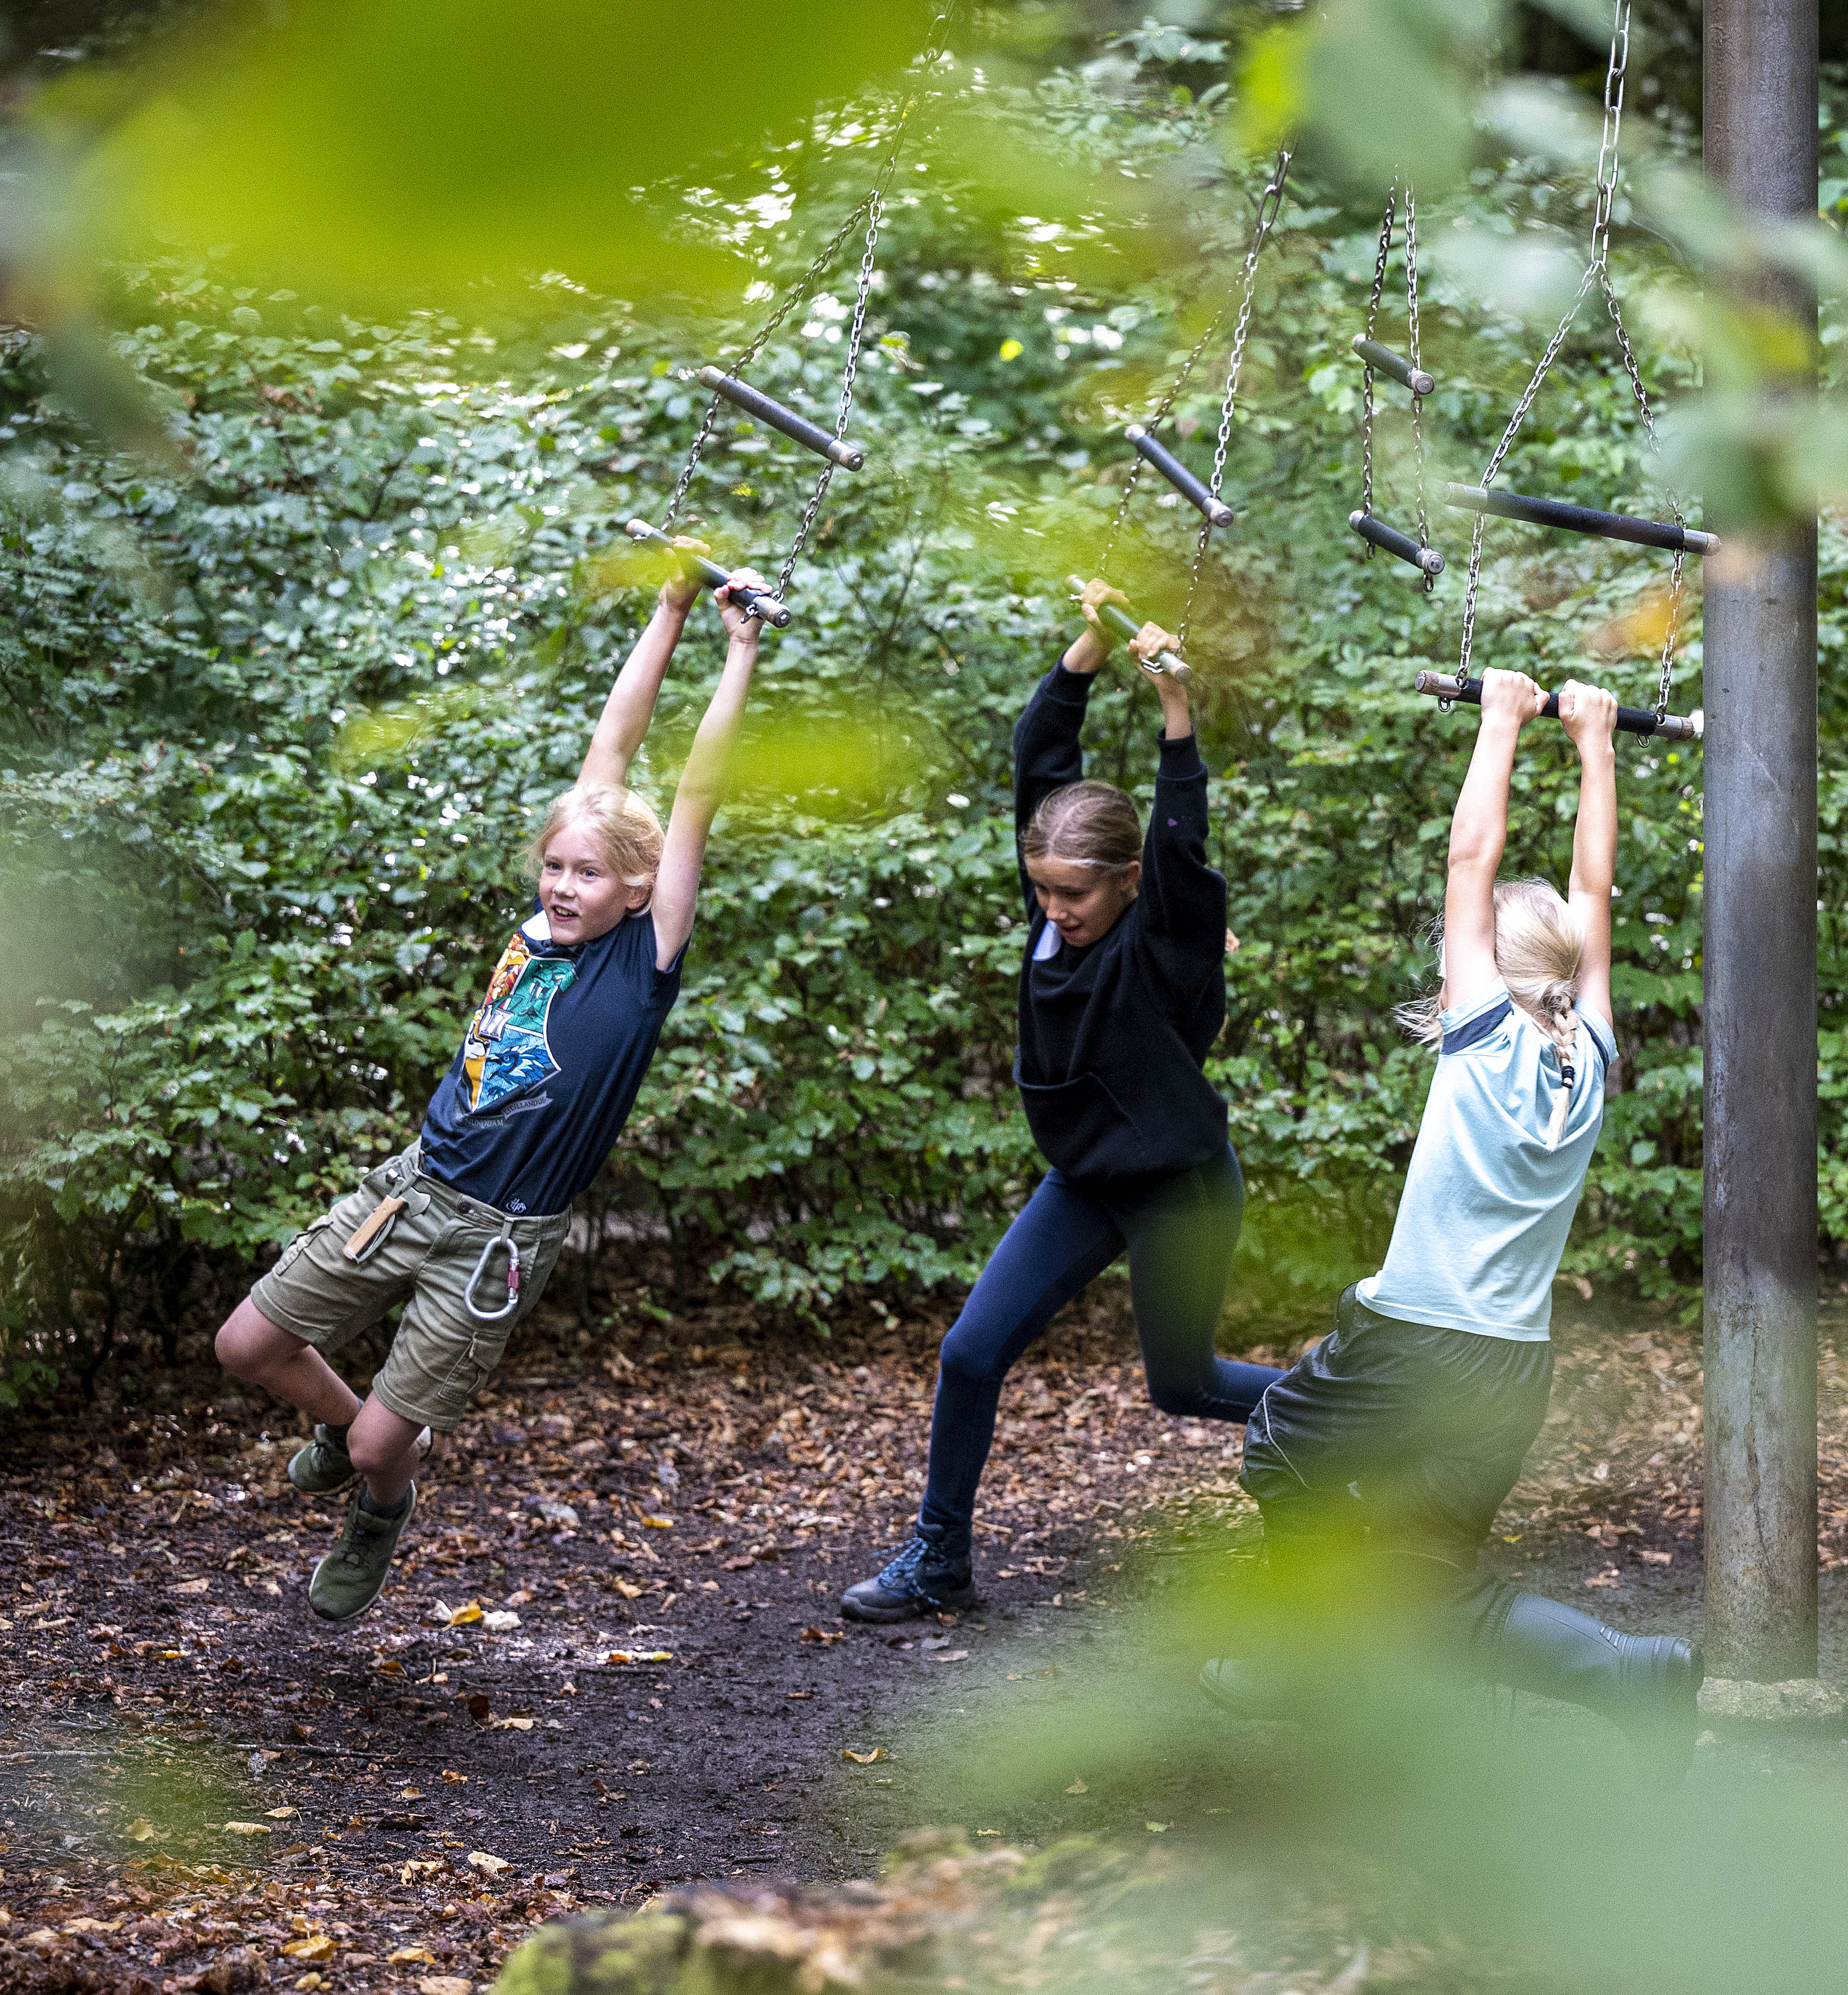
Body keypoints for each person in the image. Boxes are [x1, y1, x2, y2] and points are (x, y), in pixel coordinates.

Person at [214, 558, 769, 1623]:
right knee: (249, 1344)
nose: (564, 885)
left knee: (389, 1443)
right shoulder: (538, 925)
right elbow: (610, 749)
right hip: (412, 1186)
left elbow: (691, 793)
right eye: (555, 866)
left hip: (498, 1238)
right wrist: (668, 611)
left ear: (642, 888)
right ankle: (337, 1429)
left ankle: (379, 1500)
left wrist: (736, 651)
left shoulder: (643, 959)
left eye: (590, 874)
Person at [1201, 666, 1701, 1776]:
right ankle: (1628, 1668)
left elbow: (1470, 859)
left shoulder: (1481, 1032)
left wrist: (1499, 720)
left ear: (1484, 969)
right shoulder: (1593, 1054)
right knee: (1435, 1582)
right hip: (1511, 1364)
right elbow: (1596, 891)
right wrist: (1595, 742)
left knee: (1283, 1446)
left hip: (1413, 1337)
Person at [839, 590, 1281, 1623]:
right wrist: (1086, 644)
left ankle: (1358, 1410)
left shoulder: (1162, 945)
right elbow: (1041, 751)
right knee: (970, 1350)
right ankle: (938, 1559)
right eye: (1041, 891)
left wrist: (1176, 706)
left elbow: (1182, 845)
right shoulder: (1052, 911)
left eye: (1073, 895)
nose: (1052, 910)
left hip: (1178, 1188)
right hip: (1085, 1179)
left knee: (1179, 1385)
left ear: (1126, 882)